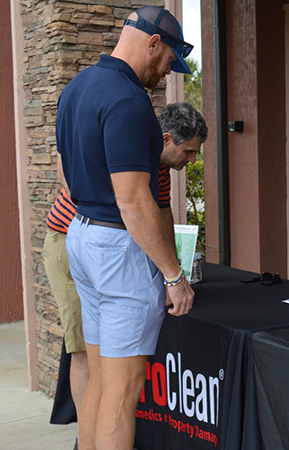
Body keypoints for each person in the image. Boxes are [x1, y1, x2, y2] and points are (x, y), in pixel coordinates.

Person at [56, 7, 195, 449]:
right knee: (121, 394)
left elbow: (65, 175)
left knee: (100, 382)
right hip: (117, 246)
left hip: (81, 231)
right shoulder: (129, 100)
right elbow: (135, 201)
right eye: (168, 59)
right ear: (152, 42)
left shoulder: (76, 88)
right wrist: (174, 276)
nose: (166, 70)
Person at [44, 101, 206, 445]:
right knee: (85, 354)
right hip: (69, 243)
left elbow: (161, 215)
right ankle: (85, 440)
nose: (191, 160)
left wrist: (172, 270)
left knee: (107, 368)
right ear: (165, 139)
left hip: (108, 257)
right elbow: (122, 207)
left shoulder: (160, 168)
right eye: (189, 151)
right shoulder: (129, 152)